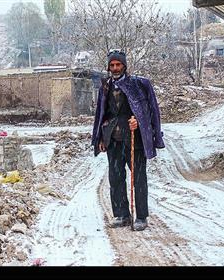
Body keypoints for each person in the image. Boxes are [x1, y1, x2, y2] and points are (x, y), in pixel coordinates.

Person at [91, 49, 165, 230]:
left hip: (135, 139)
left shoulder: (139, 84)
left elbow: (150, 110)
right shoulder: (105, 87)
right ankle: (121, 214)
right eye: (112, 65)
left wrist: (138, 121)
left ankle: (141, 217)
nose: (115, 68)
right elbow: (101, 114)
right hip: (113, 139)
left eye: (118, 65)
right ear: (109, 67)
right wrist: (101, 136)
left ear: (124, 65)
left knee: (138, 177)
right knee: (115, 177)